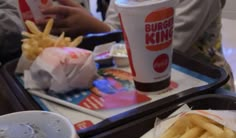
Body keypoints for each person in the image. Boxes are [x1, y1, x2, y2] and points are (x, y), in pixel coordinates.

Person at [41, 0, 234, 90]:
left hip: (206, 79)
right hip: (140, 79)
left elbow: (170, 46)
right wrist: (94, 26)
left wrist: (94, 26)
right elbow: (116, 29)